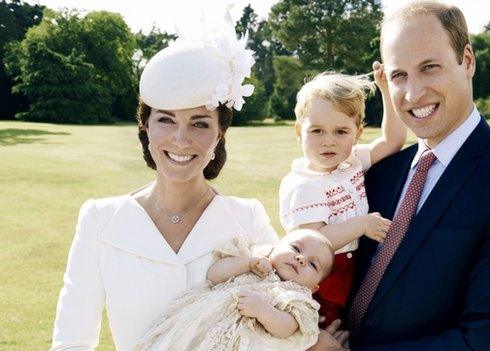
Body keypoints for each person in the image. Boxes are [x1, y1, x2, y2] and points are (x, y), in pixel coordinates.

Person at [310, 1, 490, 350]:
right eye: (399, 75)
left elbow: (486, 340)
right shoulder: (381, 171)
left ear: (467, 61)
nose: (413, 93)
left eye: (429, 67)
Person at [50, 14, 279, 351]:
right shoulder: (99, 220)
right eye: (166, 121)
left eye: (199, 124)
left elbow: (282, 318)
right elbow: (72, 341)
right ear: (145, 126)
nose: (180, 139)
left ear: (220, 133)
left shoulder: (247, 218)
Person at [279, 72, 406, 327]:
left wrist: (386, 91)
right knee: (324, 327)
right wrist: (362, 225)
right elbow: (314, 243)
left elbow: (393, 141)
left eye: (341, 131)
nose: (329, 141)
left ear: (357, 133)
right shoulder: (304, 185)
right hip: (320, 275)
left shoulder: (352, 161)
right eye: (317, 131)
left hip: (351, 266)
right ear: (298, 131)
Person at [135, 229, 335, 351]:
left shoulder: (298, 298)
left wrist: (263, 311)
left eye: (312, 264)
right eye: (296, 248)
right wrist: (247, 264)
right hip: (200, 326)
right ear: (276, 246)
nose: (301, 258)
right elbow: (214, 275)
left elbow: (287, 327)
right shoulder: (253, 258)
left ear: (314, 286)